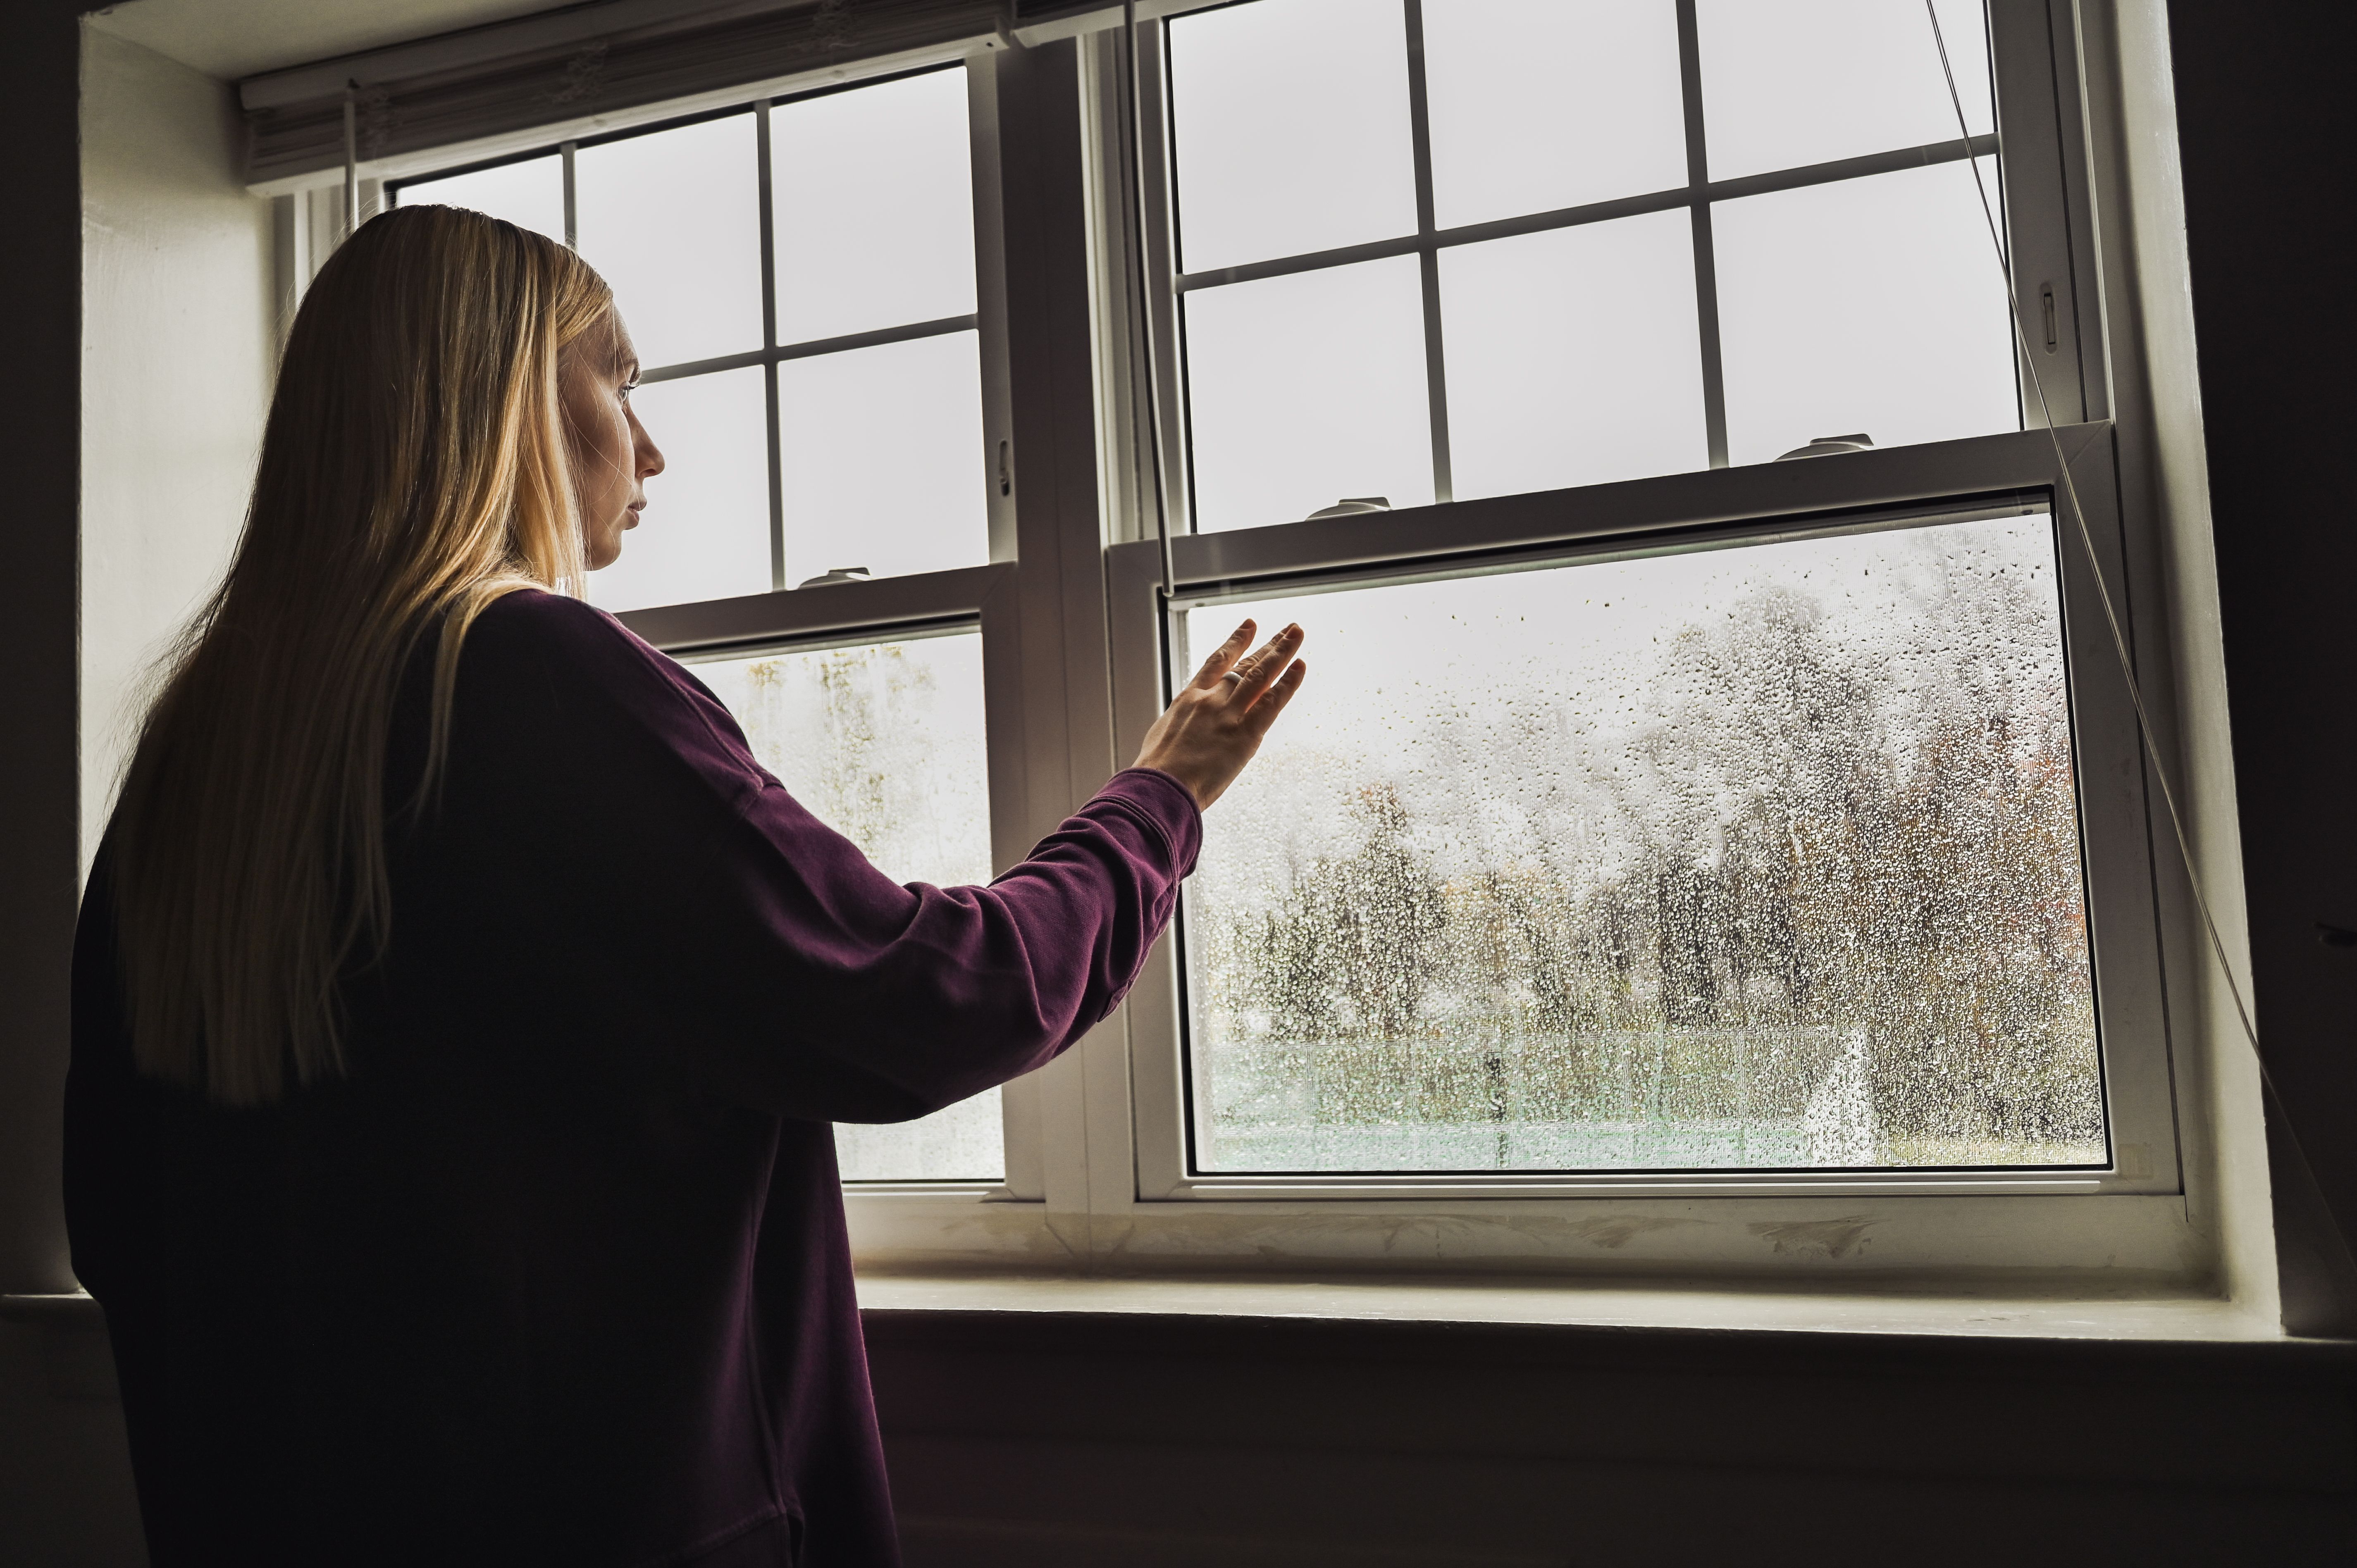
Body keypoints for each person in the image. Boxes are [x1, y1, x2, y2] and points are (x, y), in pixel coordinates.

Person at [62, 205, 1305, 1566]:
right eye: (620, 380)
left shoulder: (197, 754)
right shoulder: (535, 677)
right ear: (502, 399)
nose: (652, 446)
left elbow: (117, 1212)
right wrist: (1157, 802)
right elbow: (926, 996)